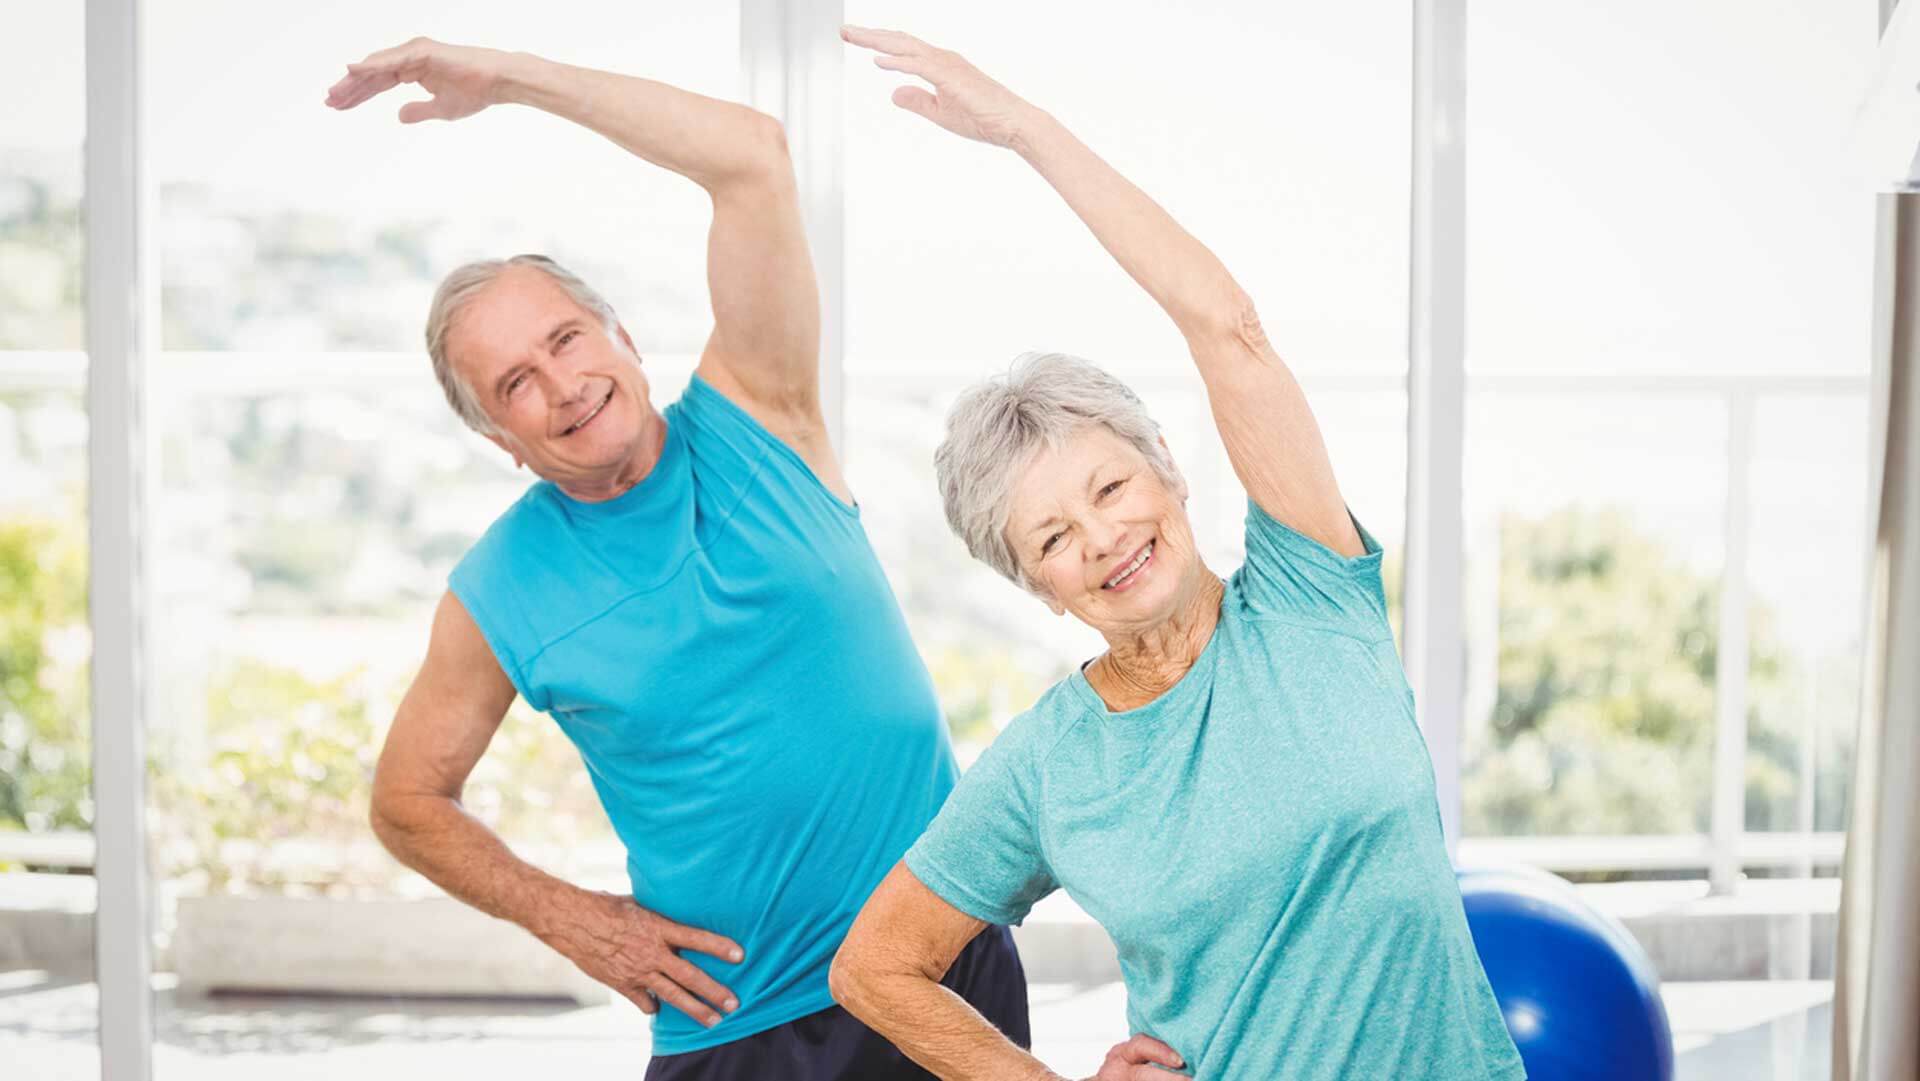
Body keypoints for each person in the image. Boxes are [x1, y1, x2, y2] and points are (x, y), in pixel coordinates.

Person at [322, 35, 1104, 1080]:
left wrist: (508, 80)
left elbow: (750, 155)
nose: (558, 385)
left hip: (935, 967)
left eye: (565, 339)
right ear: (499, 441)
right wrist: (579, 922)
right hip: (743, 1025)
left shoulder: (762, 412)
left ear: (625, 337)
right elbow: (407, 801)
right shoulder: (500, 590)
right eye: (513, 384)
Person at [828, 26, 1529, 1081]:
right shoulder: (1050, 766)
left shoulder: (1309, 595)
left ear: (1169, 469)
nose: (1104, 536)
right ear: (1040, 589)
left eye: (1110, 486)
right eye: (1054, 538)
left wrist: (1024, 132)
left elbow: (1228, 326)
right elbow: (875, 968)